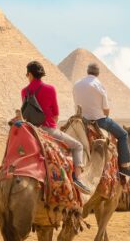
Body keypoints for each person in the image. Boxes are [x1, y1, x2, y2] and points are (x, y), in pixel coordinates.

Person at [21, 60, 91, 193]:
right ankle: (78, 178)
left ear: (30, 74)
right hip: (48, 130)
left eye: (27, 74)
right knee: (78, 146)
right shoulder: (50, 89)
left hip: (30, 132)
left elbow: (27, 113)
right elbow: (55, 115)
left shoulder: (24, 92)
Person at [72, 62, 130, 178]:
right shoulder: (99, 85)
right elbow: (106, 110)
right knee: (123, 135)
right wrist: (104, 114)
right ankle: (125, 167)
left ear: (87, 72)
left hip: (80, 121)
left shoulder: (76, 85)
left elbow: (76, 104)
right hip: (98, 121)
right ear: (98, 73)